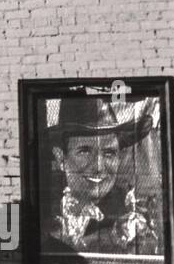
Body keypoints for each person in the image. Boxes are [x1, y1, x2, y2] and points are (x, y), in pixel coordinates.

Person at [44, 97, 160, 255]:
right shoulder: (43, 208)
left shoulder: (131, 219)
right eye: (84, 151)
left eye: (109, 153)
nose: (99, 166)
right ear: (60, 158)